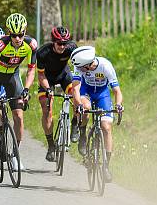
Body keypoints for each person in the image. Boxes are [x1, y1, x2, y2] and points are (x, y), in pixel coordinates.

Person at [0, 13, 38, 171]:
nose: (17, 38)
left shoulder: (31, 44)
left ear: (25, 32)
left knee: (18, 116)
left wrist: (26, 89)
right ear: (8, 33)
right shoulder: (1, 45)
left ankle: (15, 155)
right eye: (13, 35)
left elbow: (32, 71)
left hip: (13, 77)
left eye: (20, 34)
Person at [71, 45, 123, 183]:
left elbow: (117, 91)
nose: (79, 69)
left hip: (102, 94)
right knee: (86, 108)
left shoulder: (106, 66)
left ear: (87, 65)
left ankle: (106, 166)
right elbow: (75, 89)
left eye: (81, 68)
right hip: (86, 91)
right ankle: (82, 134)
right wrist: (79, 105)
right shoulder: (79, 65)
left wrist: (118, 105)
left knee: (106, 127)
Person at [36, 26, 82, 162]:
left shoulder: (72, 48)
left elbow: (79, 66)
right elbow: (40, 75)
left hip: (64, 75)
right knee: (46, 109)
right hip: (47, 79)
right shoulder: (43, 52)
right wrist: (48, 90)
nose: (62, 46)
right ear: (53, 42)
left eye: (65, 43)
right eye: (59, 43)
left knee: (76, 97)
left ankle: (74, 123)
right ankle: (51, 146)